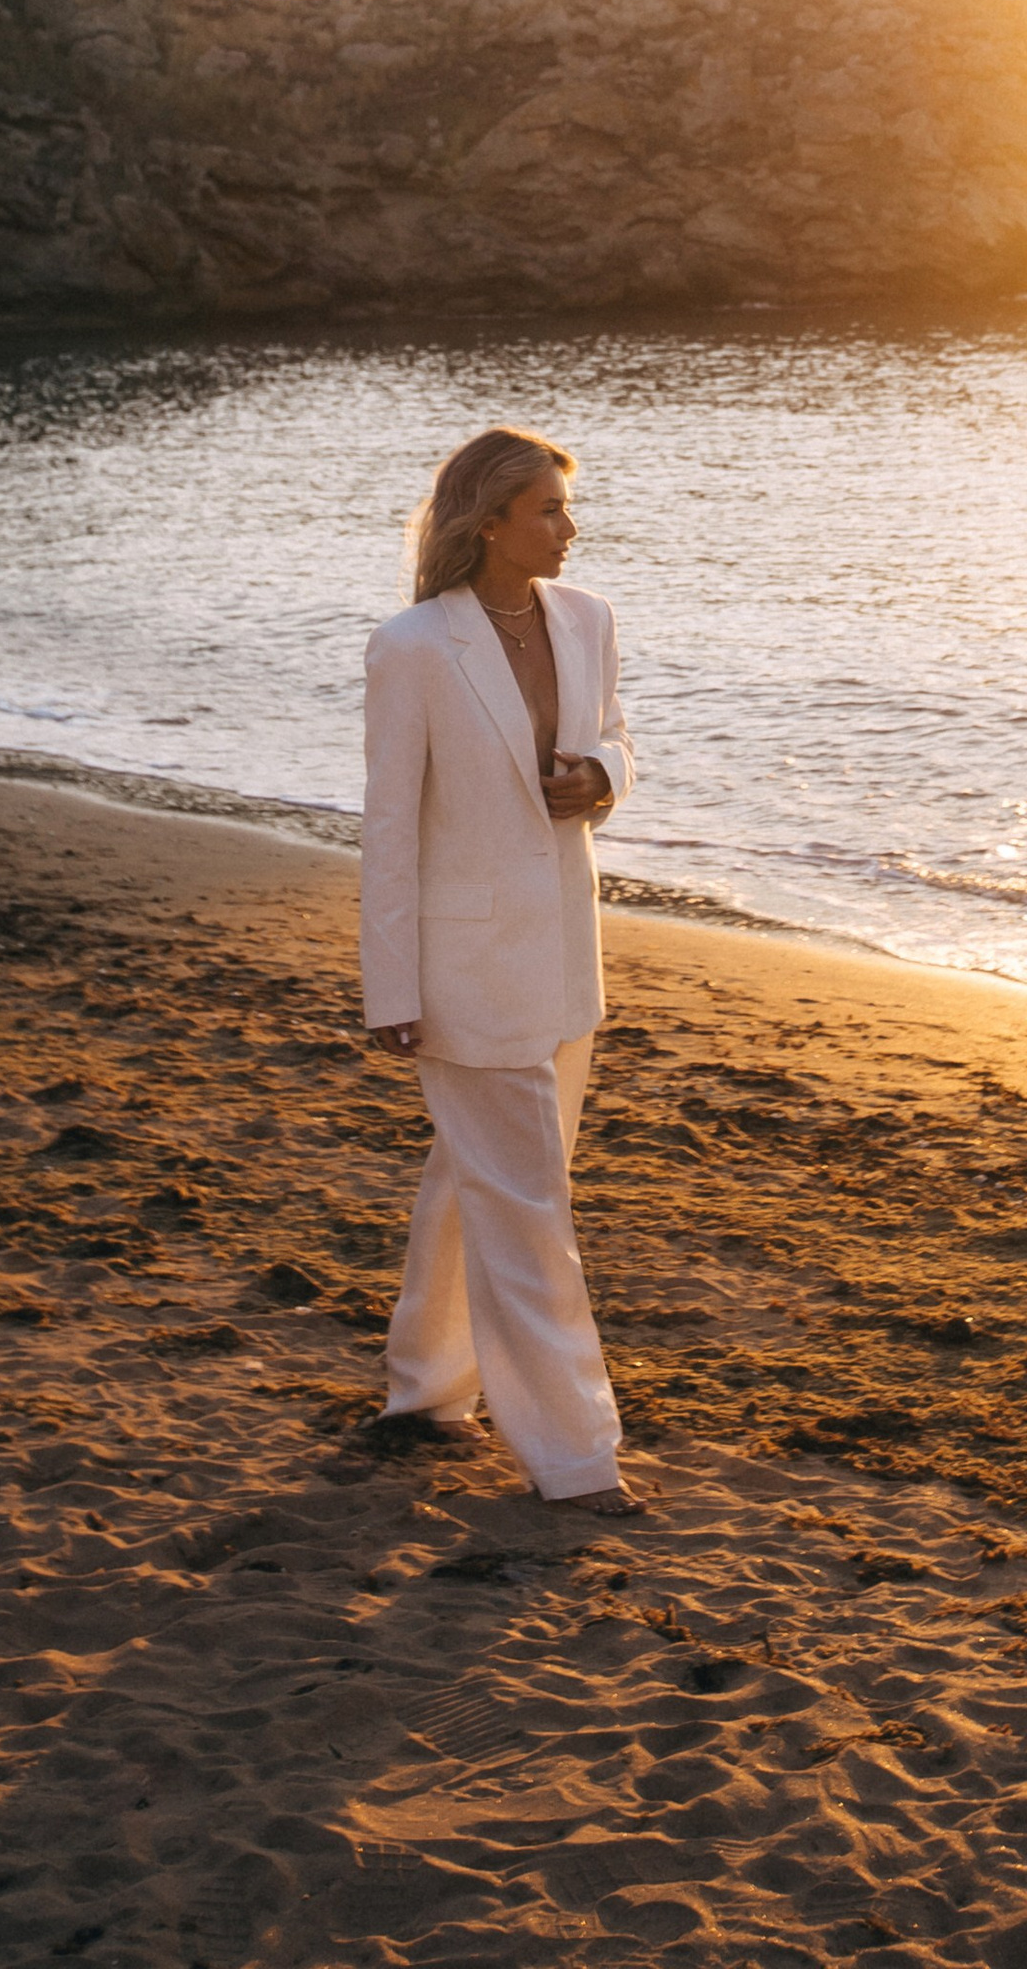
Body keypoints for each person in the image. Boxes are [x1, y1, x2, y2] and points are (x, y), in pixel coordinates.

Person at [361, 427, 641, 1512]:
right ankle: (574, 1457)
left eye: (567, 508)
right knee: (528, 1205)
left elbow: (616, 735)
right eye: (549, 510)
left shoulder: (587, 619)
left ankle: (427, 1389)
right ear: (489, 524)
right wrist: (392, 987)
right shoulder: (413, 647)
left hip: (564, 954)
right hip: (465, 966)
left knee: (474, 1176)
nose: (570, 529)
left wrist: (600, 777)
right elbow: (391, 825)